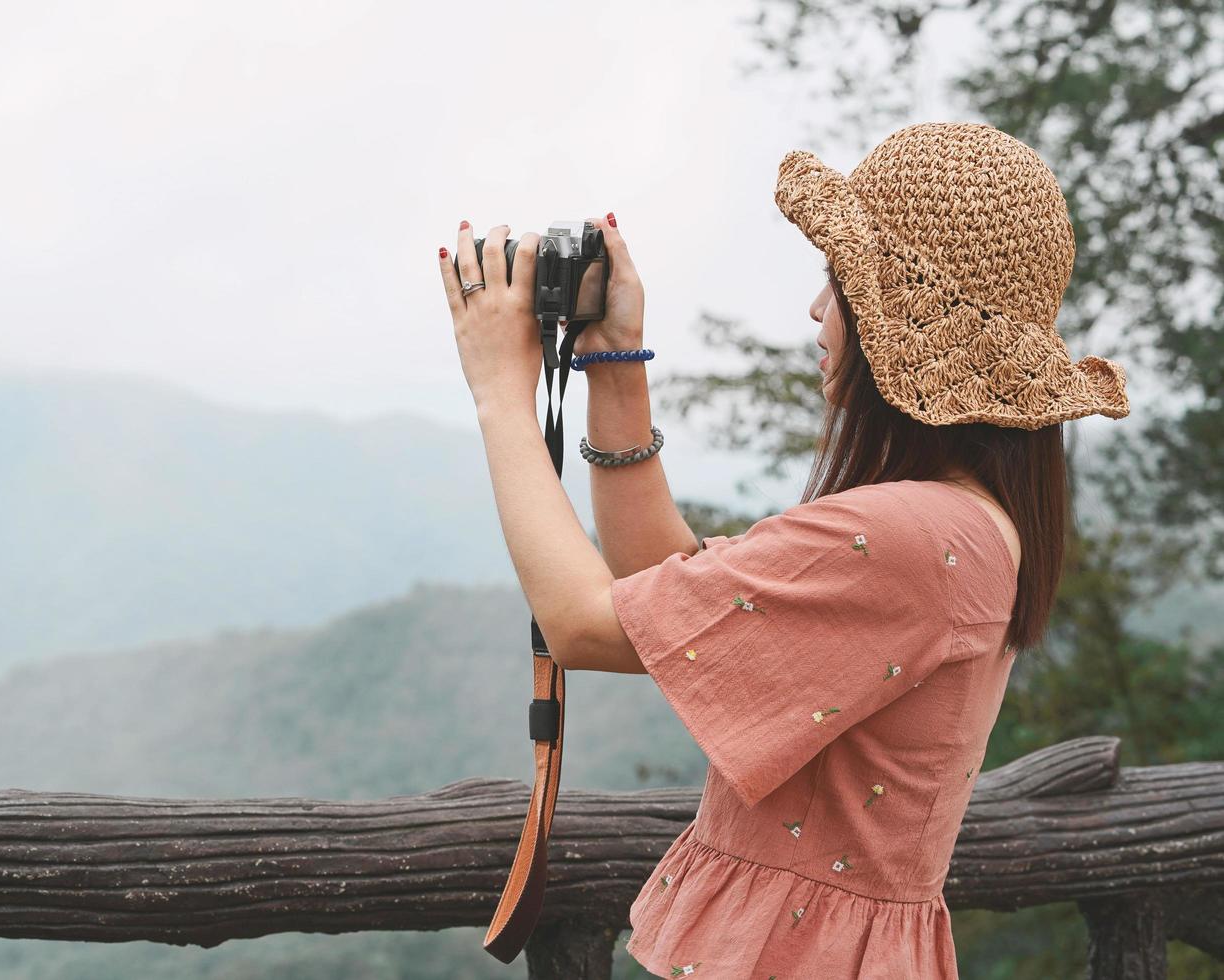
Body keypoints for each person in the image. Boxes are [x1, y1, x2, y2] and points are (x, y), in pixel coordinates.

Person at [437, 120, 1129, 977]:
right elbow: (669, 593)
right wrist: (615, 362)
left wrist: (500, 391)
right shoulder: (966, 523)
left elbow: (584, 626)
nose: (816, 308)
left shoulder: (908, 537)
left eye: (836, 282)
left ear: (893, 321)